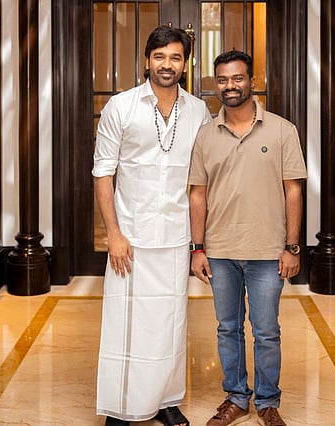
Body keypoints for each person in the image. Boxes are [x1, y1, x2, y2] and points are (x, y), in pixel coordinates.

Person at [92, 26, 211, 426]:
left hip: (176, 238)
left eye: (175, 57)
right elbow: (103, 173)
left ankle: (166, 400)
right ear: (147, 60)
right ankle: (120, 407)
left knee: (170, 324)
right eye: (160, 56)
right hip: (130, 239)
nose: (167, 64)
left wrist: (198, 244)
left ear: (185, 64)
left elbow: (202, 181)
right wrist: (113, 234)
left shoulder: (198, 112)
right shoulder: (121, 107)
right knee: (125, 325)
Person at [188, 51, 307, 426]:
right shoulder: (206, 135)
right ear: (216, 84)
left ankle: (268, 402)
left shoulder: (282, 130)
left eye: (237, 78)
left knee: (267, 331)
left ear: (251, 81)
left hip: (267, 252)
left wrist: (291, 247)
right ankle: (237, 397)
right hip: (220, 252)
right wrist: (198, 249)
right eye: (223, 80)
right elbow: (197, 194)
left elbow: (293, 191)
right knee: (228, 329)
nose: (230, 86)